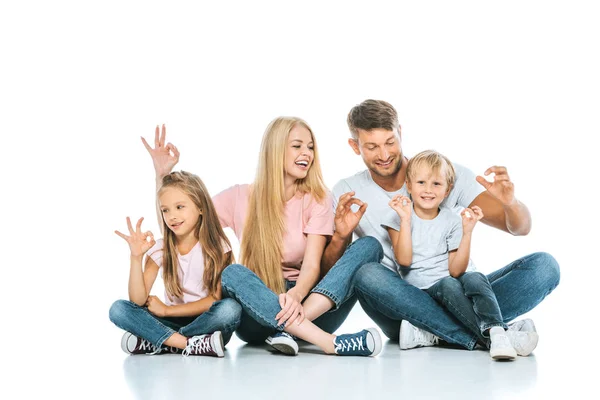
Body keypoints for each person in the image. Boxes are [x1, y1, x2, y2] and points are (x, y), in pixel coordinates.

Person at [322, 99, 560, 355]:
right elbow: (332, 274)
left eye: (390, 142)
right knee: (366, 274)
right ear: (354, 146)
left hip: (456, 293)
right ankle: (494, 333)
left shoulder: (445, 175)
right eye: (372, 146)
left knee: (544, 267)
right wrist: (340, 237)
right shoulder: (346, 191)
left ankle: (437, 333)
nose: (384, 154)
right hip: (403, 306)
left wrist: (510, 203)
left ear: (400, 133)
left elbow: (519, 228)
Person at [143, 119, 384, 357]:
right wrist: (162, 176)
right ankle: (329, 343)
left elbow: (312, 265)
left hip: (309, 305)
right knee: (232, 273)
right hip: (256, 312)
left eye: (310, 147)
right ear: (276, 149)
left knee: (369, 245)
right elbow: (180, 226)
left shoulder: (318, 198)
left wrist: (297, 296)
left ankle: (291, 329)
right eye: (297, 146)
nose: (307, 153)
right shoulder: (239, 197)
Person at [386, 150, 538, 360]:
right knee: (448, 284)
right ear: (409, 185)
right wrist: (404, 220)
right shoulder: (398, 217)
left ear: (447, 190)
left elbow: (456, 270)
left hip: (455, 285)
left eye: (436, 184)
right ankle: (503, 334)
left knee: (475, 277)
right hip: (425, 292)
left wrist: (467, 232)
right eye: (421, 183)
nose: (428, 190)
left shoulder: (451, 220)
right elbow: (404, 260)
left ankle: (495, 331)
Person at [109, 171, 242, 357]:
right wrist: (136, 257)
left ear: (201, 207)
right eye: (165, 210)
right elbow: (137, 300)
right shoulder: (160, 248)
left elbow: (214, 299)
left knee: (230, 309)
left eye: (180, 207)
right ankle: (187, 344)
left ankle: (161, 341)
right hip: (177, 325)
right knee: (118, 309)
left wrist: (166, 311)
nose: (172, 216)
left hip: (206, 322)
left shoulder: (218, 246)